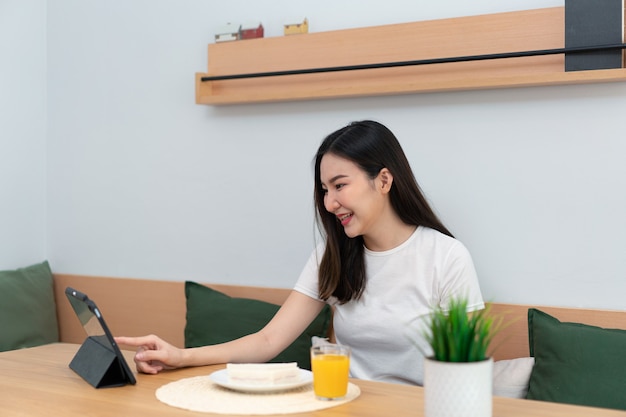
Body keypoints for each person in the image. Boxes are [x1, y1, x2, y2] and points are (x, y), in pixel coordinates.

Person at [116, 120, 484, 385]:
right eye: (324, 189)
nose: (329, 202)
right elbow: (268, 341)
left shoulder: (445, 257)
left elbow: (464, 375)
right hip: (342, 405)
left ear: (384, 180)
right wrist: (180, 356)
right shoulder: (333, 256)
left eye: (340, 185)